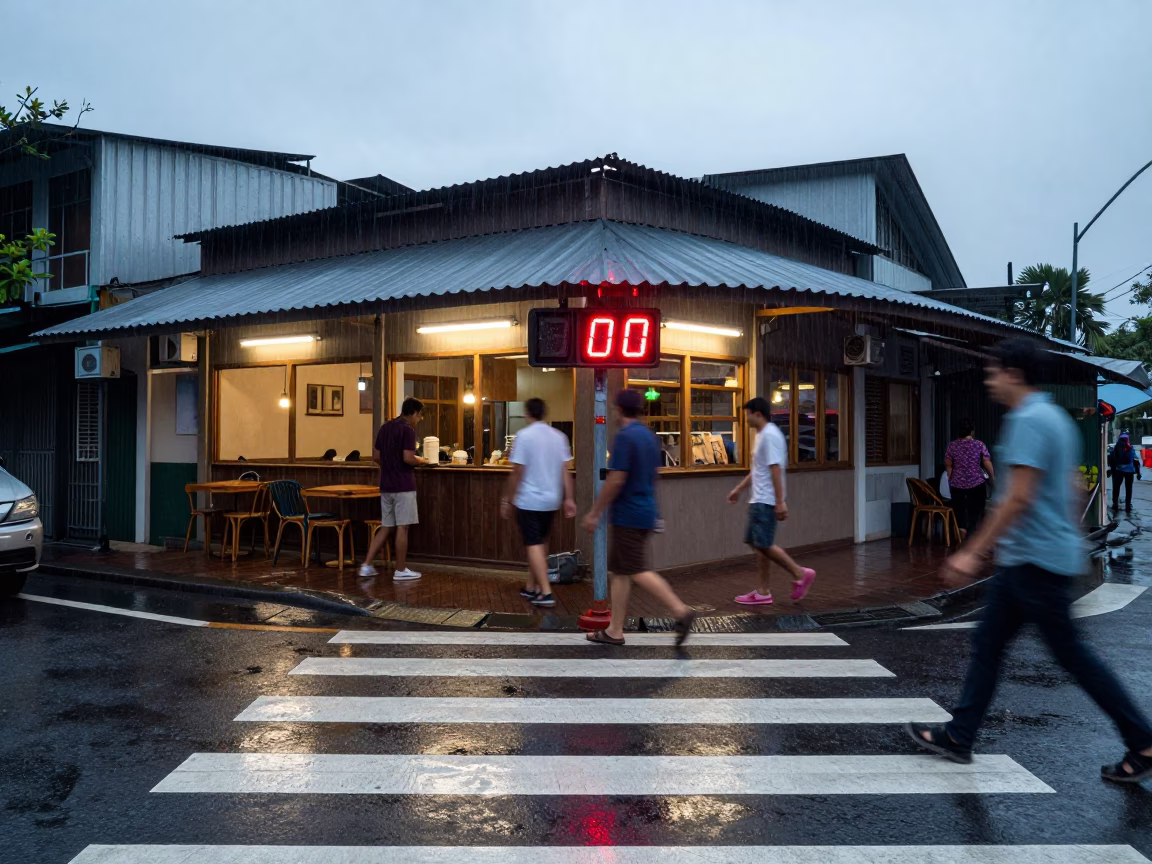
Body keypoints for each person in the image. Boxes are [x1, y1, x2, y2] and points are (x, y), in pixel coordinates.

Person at [907, 337, 1152, 784]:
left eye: (994, 372)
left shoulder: (1027, 421)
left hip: (1033, 564)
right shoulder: (1053, 418)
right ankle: (960, 735)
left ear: (1013, 374)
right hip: (1034, 558)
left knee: (1071, 656)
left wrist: (970, 551)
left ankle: (1142, 738)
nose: (989, 380)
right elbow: (1072, 488)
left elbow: (1015, 497)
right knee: (989, 646)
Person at [581, 389, 696, 646]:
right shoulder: (649, 436)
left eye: (614, 408)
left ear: (619, 409)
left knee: (637, 571)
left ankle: (681, 611)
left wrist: (595, 511)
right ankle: (614, 630)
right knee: (621, 572)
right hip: (645, 510)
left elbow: (616, 478)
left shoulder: (624, 437)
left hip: (627, 514)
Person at [727, 397, 815, 606]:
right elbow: (759, 470)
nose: (745, 418)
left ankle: (799, 573)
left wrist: (780, 501)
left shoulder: (770, 436)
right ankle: (763, 591)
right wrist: (739, 489)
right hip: (758, 499)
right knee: (757, 543)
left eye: (747, 413)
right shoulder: (760, 436)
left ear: (757, 414)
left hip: (766, 501)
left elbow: (775, 469)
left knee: (763, 544)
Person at [500, 398, 577, 608]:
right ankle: (531, 586)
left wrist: (508, 498)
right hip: (551, 500)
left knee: (533, 544)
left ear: (527, 414)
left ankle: (546, 592)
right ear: (544, 413)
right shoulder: (558, 436)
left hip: (529, 499)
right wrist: (569, 498)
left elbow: (518, 471)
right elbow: (565, 471)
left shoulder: (524, 436)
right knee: (540, 542)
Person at [359, 398, 428, 582]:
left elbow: (375, 456)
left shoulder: (386, 427)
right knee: (402, 528)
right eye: (419, 416)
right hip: (404, 485)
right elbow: (408, 458)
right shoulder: (408, 430)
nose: (419, 419)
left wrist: (389, 466)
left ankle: (366, 565)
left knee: (386, 526)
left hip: (386, 485)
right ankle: (400, 569)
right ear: (413, 413)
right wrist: (424, 461)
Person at [945, 419, 995, 537]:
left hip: (957, 485)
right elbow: (987, 462)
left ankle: (962, 529)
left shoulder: (952, 446)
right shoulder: (979, 445)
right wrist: (992, 479)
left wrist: (950, 480)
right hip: (976, 484)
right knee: (976, 511)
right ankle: (971, 532)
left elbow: (948, 466)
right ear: (972, 431)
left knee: (960, 511)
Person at [1108, 432, 1142, 514]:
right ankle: (1127, 506)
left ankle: (1115, 504)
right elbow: (1136, 461)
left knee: (1116, 487)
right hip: (1130, 471)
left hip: (1118, 470)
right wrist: (1138, 473)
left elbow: (1111, 459)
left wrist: (1111, 470)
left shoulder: (1116, 448)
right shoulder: (1130, 448)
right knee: (1129, 489)